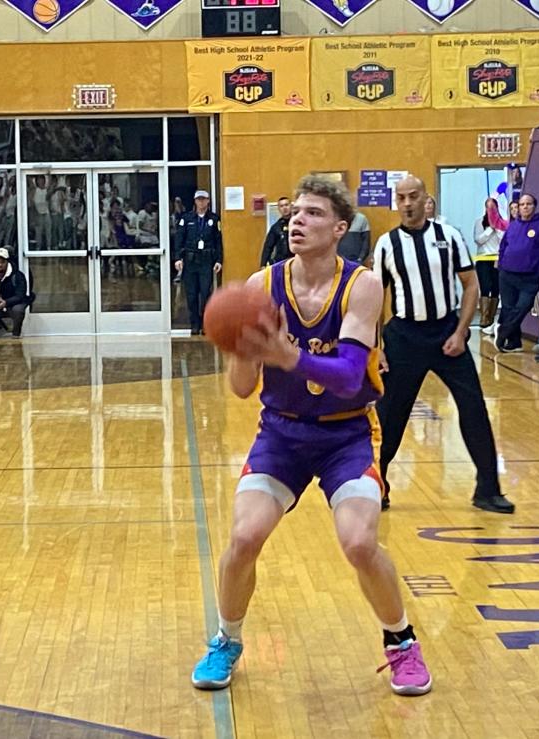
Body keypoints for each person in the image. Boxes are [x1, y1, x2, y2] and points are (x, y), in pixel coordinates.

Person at [190, 175, 432, 697]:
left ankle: (402, 643)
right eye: (295, 211)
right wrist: (241, 350)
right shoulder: (260, 286)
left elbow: (349, 374)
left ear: (340, 228)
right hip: (281, 433)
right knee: (243, 538)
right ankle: (226, 640)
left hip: (346, 434)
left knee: (360, 542)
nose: (298, 220)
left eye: (313, 213)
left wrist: (289, 357)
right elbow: (241, 389)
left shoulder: (362, 284)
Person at [373, 175, 514, 515]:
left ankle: (488, 489)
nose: (407, 203)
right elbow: (374, 298)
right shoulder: (386, 244)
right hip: (403, 336)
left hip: (447, 333)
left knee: (474, 408)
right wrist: (376, 347)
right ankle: (377, 485)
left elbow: (470, 285)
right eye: (401, 198)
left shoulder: (449, 237)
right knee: (389, 415)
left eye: (413, 196)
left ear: (425, 199)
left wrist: (462, 331)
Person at [495, 193, 539, 353]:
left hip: (529, 276)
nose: (525, 207)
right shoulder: (513, 225)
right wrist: (501, 264)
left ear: (534, 206)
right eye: (522, 204)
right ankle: (514, 341)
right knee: (508, 307)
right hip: (507, 273)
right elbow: (503, 245)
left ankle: (503, 331)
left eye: (528, 204)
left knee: (522, 306)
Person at [173, 189, 223, 335]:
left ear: (208, 201)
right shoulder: (187, 218)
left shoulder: (214, 219)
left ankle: (205, 323)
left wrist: (219, 260)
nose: (201, 202)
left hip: (206, 261)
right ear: (195, 201)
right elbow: (179, 239)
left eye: (204, 199)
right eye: (198, 199)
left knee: (206, 293)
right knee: (192, 294)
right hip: (190, 261)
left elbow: (218, 241)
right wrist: (177, 258)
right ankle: (194, 323)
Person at [472, 198, 505, 333]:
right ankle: (484, 318)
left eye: (493, 207)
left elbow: (504, 239)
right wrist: (490, 228)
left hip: (498, 259)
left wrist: (497, 227)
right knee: (485, 286)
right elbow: (478, 240)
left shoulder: (502, 223)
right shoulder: (479, 222)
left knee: (496, 287)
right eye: (488, 207)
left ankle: (491, 318)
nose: (490, 210)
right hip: (483, 259)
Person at [260, 196, 292, 266]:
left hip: (296, 260)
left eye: (286, 205)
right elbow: (268, 247)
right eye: (281, 206)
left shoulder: (298, 223)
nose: (284, 208)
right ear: (279, 209)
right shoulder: (276, 227)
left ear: (291, 206)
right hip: (281, 262)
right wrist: (263, 264)